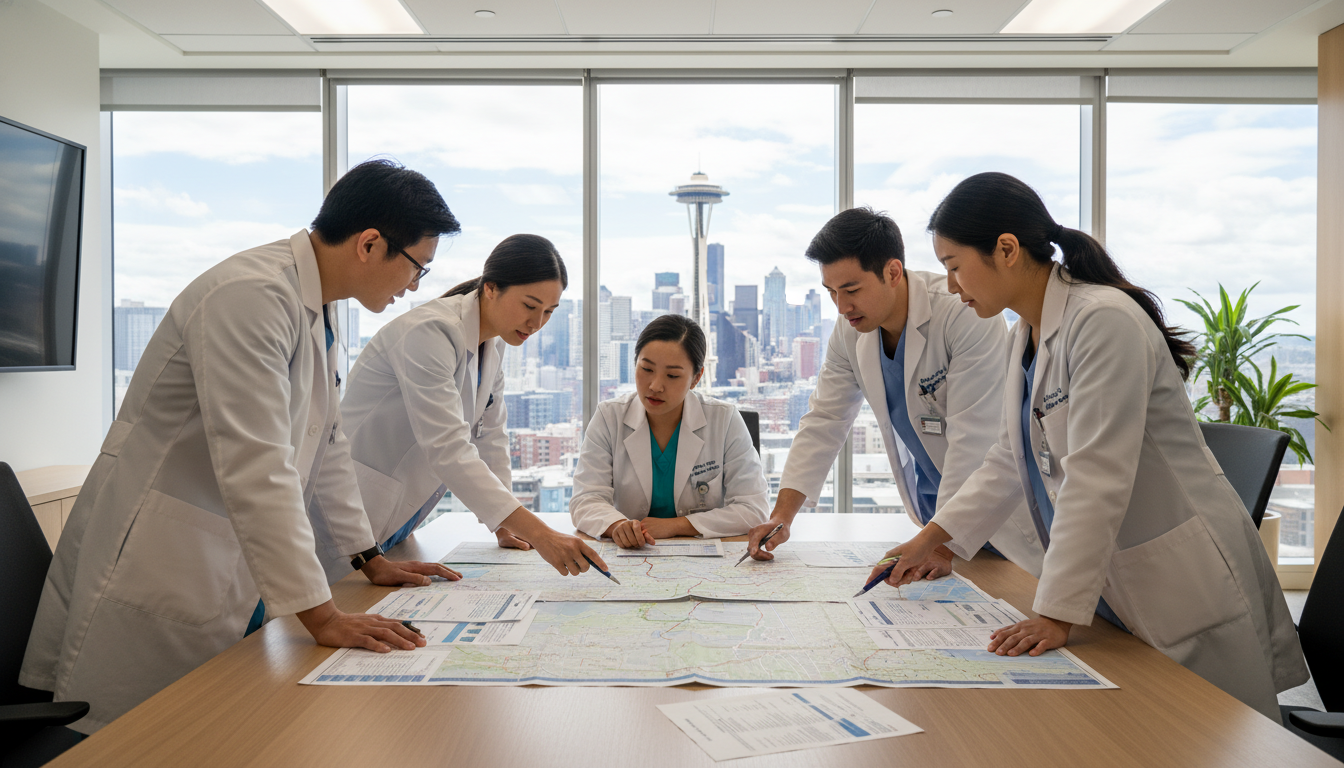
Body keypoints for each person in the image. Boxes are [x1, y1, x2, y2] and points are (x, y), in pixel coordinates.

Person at [21, 159, 464, 733]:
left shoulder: (314, 305)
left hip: (221, 556)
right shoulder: (251, 295)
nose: (415, 286)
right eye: (417, 268)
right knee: (142, 739)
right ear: (370, 244)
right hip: (167, 554)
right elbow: (258, 464)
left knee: (217, 727)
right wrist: (323, 616)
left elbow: (327, 444)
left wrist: (367, 557)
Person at [875, 171, 1308, 721]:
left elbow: (1095, 477)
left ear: (1006, 249)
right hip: (1116, 582)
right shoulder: (1024, 335)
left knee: (1213, 736)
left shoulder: (1102, 320)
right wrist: (932, 538)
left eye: (955, 266)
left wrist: (1056, 614)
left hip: (1178, 582)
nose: (951, 286)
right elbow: (1008, 459)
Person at [745, 207, 1043, 578]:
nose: (842, 307)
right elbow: (825, 419)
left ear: (893, 272)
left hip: (999, 520)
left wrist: (940, 546)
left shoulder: (962, 313)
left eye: (852, 290)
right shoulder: (850, 329)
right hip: (933, 522)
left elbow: (974, 440)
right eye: (831, 292)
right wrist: (782, 516)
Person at [333, 234, 608, 577]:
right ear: (491, 288)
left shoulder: (493, 342)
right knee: (329, 603)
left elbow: (491, 436)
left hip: (395, 520)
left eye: (549, 312)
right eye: (529, 306)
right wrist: (541, 534)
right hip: (350, 515)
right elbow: (448, 447)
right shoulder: (430, 332)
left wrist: (506, 524)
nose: (537, 323)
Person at [571, 314, 769, 546]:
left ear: (696, 378)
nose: (655, 386)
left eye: (672, 375)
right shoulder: (609, 417)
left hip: (704, 557)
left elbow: (753, 509)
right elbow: (585, 499)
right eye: (646, 369)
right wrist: (617, 526)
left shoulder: (724, 420)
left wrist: (676, 526)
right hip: (630, 553)